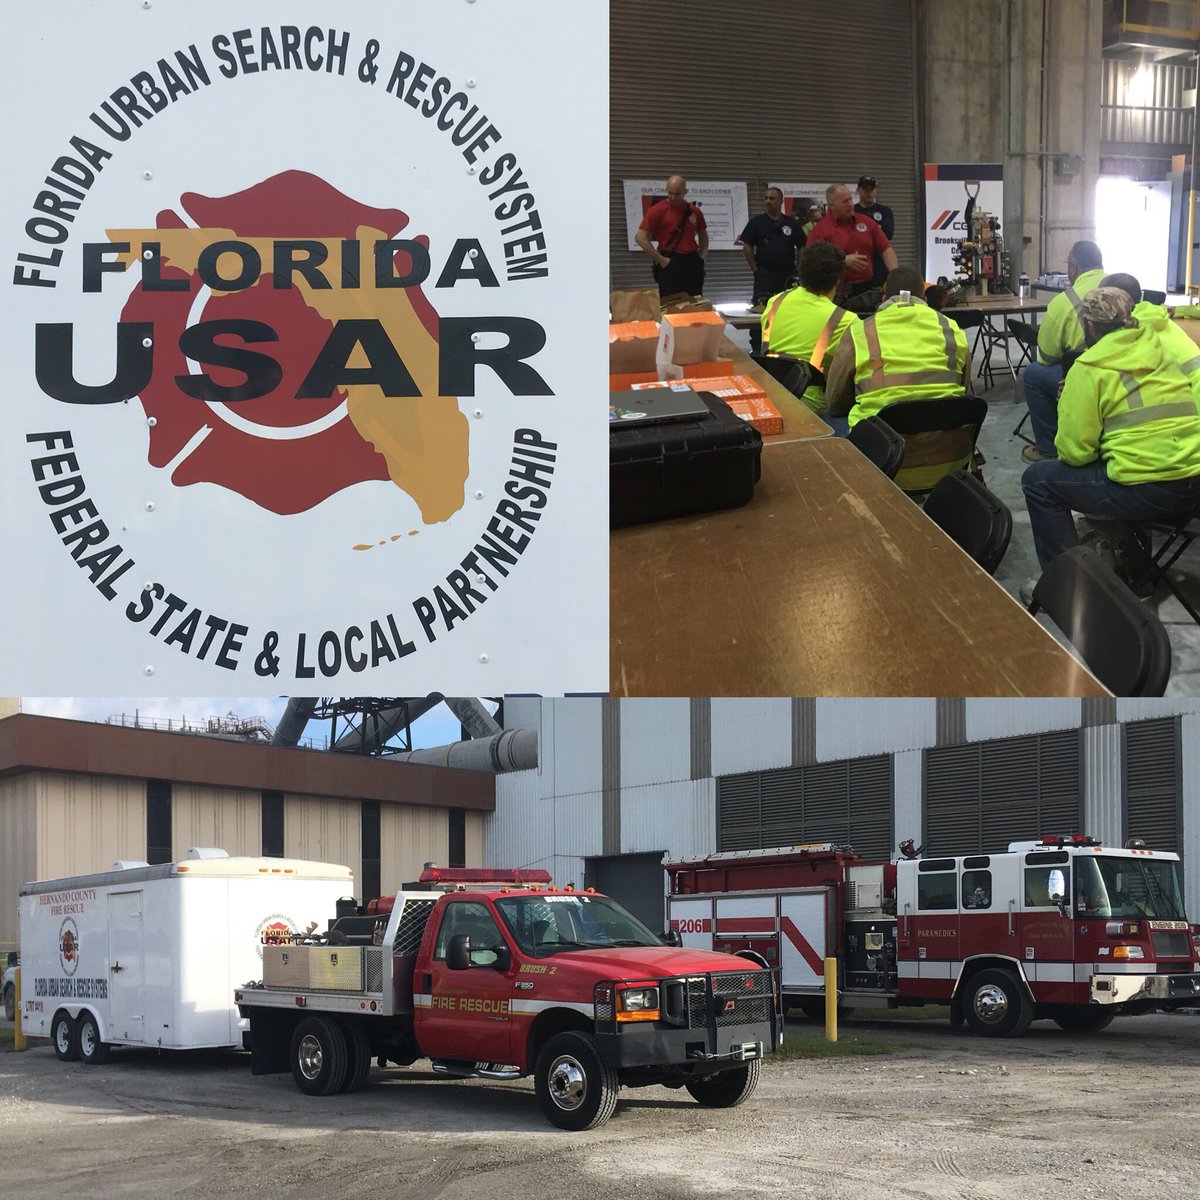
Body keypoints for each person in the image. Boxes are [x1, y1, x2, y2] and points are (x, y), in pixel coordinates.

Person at [1020, 286, 1200, 573]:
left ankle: (1067, 582)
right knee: (1127, 461)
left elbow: (1074, 453)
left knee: (1037, 481)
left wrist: (1071, 402)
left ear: (1089, 325)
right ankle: (1136, 568)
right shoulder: (1160, 349)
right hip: (1194, 484)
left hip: (1150, 493)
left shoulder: (1089, 366)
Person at [824, 264, 970, 430]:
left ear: (884, 299)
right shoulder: (952, 329)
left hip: (880, 450)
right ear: (925, 299)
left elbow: (835, 401)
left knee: (829, 419)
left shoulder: (859, 331)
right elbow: (963, 389)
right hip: (949, 448)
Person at [1021, 240, 1106, 463]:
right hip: (1126, 372)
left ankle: (1048, 449)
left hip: (1086, 377)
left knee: (1033, 373)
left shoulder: (1063, 302)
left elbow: (1047, 357)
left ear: (1072, 268)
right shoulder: (1120, 288)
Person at [758, 241, 856, 417]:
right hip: (808, 404)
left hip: (768, 392)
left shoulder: (776, 301)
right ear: (838, 279)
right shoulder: (845, 320)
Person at [739, 186, 806, 351]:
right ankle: (756, 347)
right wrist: (755, 269)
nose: (768, 201)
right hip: (765, 275)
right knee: (760, 312)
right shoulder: (757, 223)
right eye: (766, 198)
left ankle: (785, 344)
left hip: (787, 276)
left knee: (788, 311)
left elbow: (802, 246)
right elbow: (747, 246)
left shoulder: (791, 223)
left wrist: (798, 268)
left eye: (772, 198)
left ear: (781, 201)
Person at [806, 184, 898, 299]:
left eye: (850, 199)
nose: (850, 204)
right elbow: (811, 265)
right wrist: (842, 262)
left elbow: (886, 249)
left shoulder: (866, 222)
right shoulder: (820, 231)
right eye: (845, 201)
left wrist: (895, 275)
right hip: (836, 294)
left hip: (867, 291)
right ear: (831, 205)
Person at [635, 175, 708, 299]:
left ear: (685, 192)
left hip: (692, 260)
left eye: (677, 194)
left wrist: (702, 256)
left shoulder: (694, 211)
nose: (673, 197)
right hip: (669, 260)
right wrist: (660, 259)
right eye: (670, 193)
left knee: (695, 301)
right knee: (670, 304)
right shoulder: (657, 210)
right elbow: (640, 237)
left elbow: (703, 234)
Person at [854, 175, 895, 286]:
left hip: (879, 261)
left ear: (876, 190)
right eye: (865, 189)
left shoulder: (885, 211)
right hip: (858, 262)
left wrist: (863, 232)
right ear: (858, 190)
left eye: (871, 189)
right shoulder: (853, 211)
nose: (869, 192)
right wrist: (876, 229)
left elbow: (888, 234)